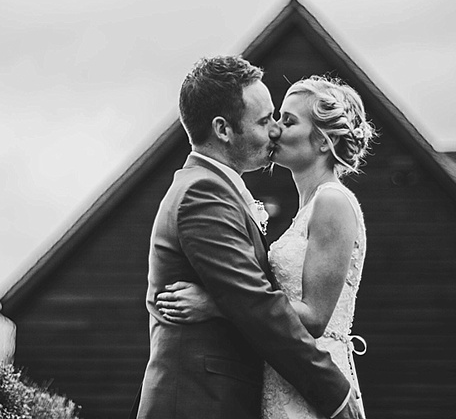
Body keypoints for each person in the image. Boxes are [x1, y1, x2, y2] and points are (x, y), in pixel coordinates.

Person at [134, 55, 361, 419]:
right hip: (200, 403)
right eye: (266, 119)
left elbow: (250, 299)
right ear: (223, 130)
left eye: (282, 119)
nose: (275, 130)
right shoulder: (203, 193)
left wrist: (214, 303)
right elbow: (252, 301)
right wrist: (334, 394)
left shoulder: (214, 189)